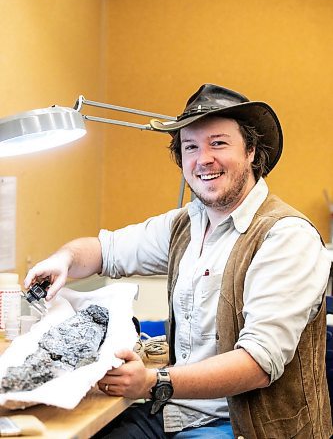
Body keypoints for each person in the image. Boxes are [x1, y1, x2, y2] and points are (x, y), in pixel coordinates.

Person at [24, 84, 333, 439]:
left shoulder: (285, 236)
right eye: (191, 147)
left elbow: (258, 364)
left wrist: (154, 381)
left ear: (251, 150)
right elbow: (103, 251)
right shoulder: (186, 223)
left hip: (242, 427)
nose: (203, 159)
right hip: (177, 411)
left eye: (218, 143)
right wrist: (63, 259)